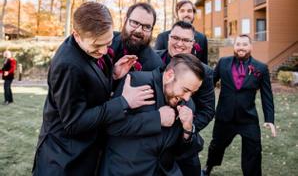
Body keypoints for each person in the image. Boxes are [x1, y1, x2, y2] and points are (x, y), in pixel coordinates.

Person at [32, 2, 158, 176]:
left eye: (107, 43)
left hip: (89, 154)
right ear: (76, 35)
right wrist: (123, 102)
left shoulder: (93, 48)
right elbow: (74, 123)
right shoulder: (68, 65)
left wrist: (113, 75)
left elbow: (91, 90)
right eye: (97, 46)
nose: (105, 51)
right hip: (65, 160)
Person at [100, 53, 205, 175]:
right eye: (185, 90)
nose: (187, 98)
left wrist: (188, 131)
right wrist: (157, 119)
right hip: (124, 171)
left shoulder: (187, 103)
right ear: (169, 75)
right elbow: (111, 127)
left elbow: (183, 153)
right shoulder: (136, 82)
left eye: (192, 93)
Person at [202, 34, 276, 176]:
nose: (241, 47)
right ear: (234, 47)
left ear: (251, 47)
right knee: (216, 146)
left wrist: (269, 119)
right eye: (238, 44)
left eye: (244, 44)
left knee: (253, 151)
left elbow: (267, 95)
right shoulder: (223, 62)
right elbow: (209, 84)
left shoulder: (261, 68)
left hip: (248, 119)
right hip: (224, 117)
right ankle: (209, 166)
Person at [157, 21, 215, 176]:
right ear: (168, 38)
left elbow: (208, 110)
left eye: (186, 40)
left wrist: (187, 128)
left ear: (193, 43)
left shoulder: (205, 72)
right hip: (153, 141)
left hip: (184, 147)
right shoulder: (152, 60)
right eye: (175, 37)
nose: (180, 44)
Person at [111, 2, 163, 71]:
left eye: (147, 27)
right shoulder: (105, 42)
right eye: (135, 23)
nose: (139, 30)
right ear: (125, 20)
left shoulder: (156, 65)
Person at [155, 0, 208, 64]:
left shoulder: (202, 38)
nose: (186, 14)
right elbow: (156, 62)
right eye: (182, 11)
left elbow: (204, 64)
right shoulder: (162, 37)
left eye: (189, 11)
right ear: (177, 14)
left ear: (193, 14)